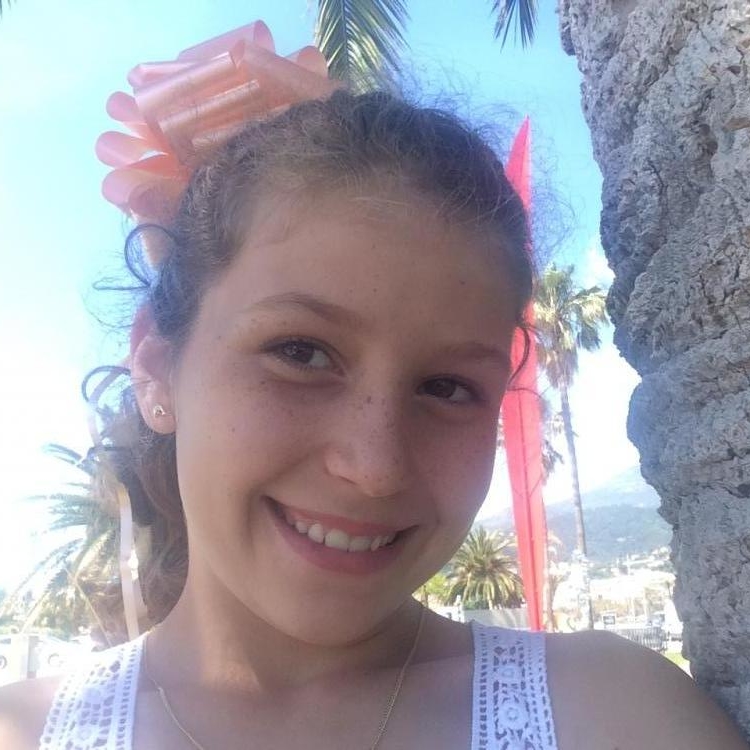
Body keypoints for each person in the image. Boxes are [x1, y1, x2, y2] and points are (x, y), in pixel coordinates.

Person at [0, 23, 747, 750]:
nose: (375, 467)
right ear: (157, 365)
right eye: (300, 352)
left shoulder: (611, 715)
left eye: (447, 387)